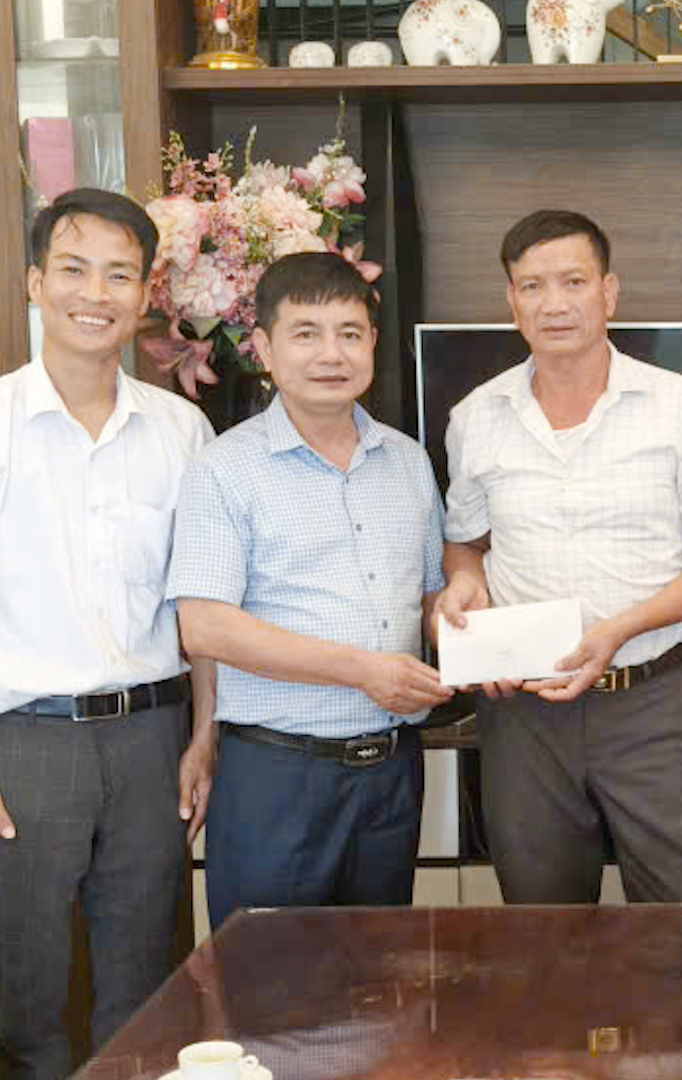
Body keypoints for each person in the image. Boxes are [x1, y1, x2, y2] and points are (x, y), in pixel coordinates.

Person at [0, 188, 217, 1080]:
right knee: (30, 1003)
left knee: (149, 998)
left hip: (153, 738)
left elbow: (200, 605)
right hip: (22, 747)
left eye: (120, 275)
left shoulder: (182, 430)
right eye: (74, 270)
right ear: (36, 282)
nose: (96, 293)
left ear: (146, 294)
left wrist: (204, 734)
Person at [436, 210, 682, 904]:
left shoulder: (678, 407)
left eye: (573, 282)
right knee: (542, 924)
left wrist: (619, 629)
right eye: (533, 286)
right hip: (524, 715)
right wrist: (463, 584)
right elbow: (466, 544)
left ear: (608, 292)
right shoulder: (476, 417)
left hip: (649, 702)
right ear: (512, 302)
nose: (554, 303)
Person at [166, 252, 451, 928]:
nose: (331, 354)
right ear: (265, 348)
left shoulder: (408, 461)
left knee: (379, 973)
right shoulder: (223, 470)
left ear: (372, 342)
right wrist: (363, 671)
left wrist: (465, 617)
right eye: (306, 333)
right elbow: (205, 627)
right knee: (271, 977)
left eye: (350, 333)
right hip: (278, 776)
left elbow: (428, 600)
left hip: (391, 775)